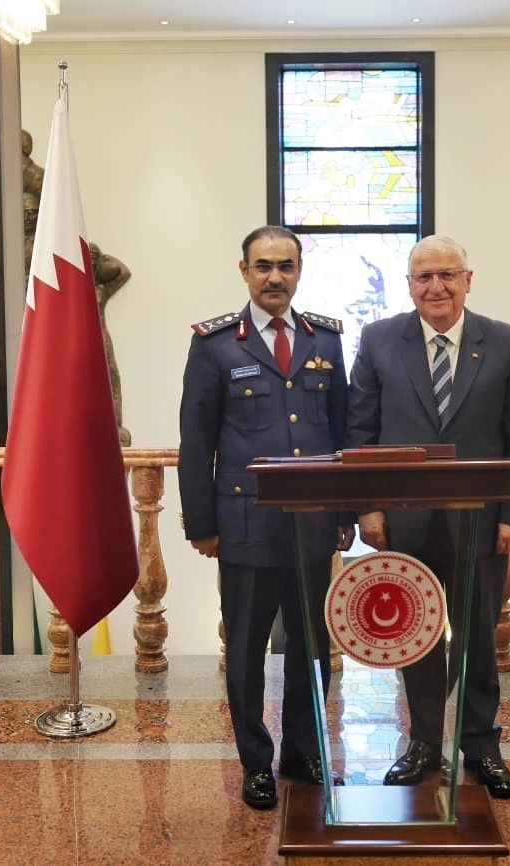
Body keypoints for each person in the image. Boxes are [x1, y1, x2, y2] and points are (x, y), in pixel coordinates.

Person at [346, 235, 510, 800]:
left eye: (447, 275)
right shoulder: (380, 340)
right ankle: (424, 743)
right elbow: (360, 432)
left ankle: (480, 745)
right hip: (404, 522)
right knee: (417, 635)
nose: (436, 287)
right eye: (424, 277)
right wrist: (368, 506)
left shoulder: (504, 342)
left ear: (468, 280)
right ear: (409, 286)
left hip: (481, 523)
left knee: (478, 636)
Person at [177, 225, 354, 810]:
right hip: (246, 524)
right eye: (263, 266)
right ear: (244, 271)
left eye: (286, 266)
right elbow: (196, 441)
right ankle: (256, 761)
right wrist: (203, 524)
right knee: (247, 650)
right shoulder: (215, 345)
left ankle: (303, 751)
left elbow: (343, 433)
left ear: (299, 271)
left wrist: (345, 510)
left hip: (312, 525)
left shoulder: (325, 339)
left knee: (312, 647)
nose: (275, 277)